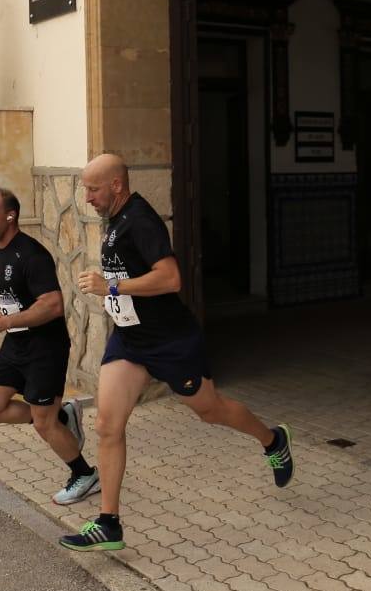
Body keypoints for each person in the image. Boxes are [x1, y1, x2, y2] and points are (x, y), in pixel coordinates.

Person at [58, 154, 294, 552]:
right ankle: (108, 522)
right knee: (107, 426)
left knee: (210, 410)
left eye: (93, 189)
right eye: (84, 189)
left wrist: (112, 288)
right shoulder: (115, 219)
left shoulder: (141, 220)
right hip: (130, 339)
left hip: (170, 341)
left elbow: (170, 279)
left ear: (116, 185)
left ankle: (272, 440)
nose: (88, 197)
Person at [0, 187, 100, 506]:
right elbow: (16, 302)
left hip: (45, 348)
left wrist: (5, 321)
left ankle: (85, 475)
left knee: (43, 424)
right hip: (15, 344)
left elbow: (53, 305)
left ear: (10, 215)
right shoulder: (0, 251)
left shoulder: (31, 255)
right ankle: (61, 417)